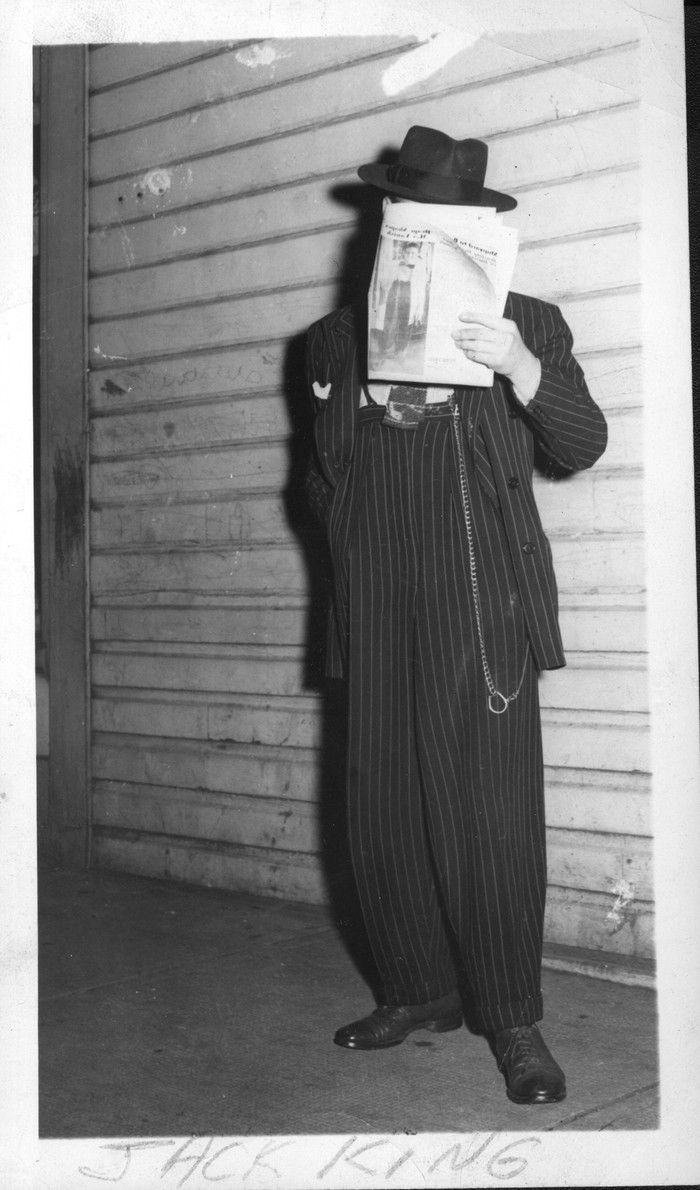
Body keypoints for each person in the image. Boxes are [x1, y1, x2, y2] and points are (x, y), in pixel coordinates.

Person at [304, 125, 607, 1105]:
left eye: (443, 219)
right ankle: (415, 989)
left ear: (474, 231)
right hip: (379, 597)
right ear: (391, 221)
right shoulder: (334, 340)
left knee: (489, 818)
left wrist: (520, 366)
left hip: (479, 604)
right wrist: (366, 407)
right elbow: (319, 485)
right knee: (380, 807)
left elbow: (581, 441)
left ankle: (512, 1017)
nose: (420, 231)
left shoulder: (529, 320)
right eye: (407, 213)